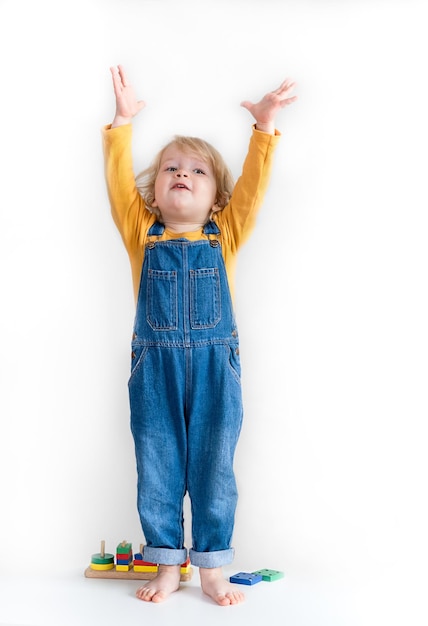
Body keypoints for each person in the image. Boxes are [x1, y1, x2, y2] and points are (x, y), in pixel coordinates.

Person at [102, 65, 296, 606]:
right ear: (155, 191)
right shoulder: (141, 234)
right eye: (169, 169)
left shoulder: (225, 234)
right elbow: (119, 186)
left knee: (214, 465)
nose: (181, 175)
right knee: (157, 463)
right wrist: (122, 123)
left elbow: (254, 190)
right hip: (155, 369)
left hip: (216, 367)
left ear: (216, 199)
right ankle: (167, 563)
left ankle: (211, 566)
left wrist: (264, 130)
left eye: (196, 171)